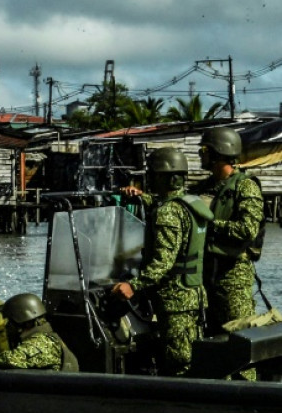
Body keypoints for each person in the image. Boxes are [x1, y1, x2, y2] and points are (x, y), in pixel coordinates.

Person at [112, 147, 213, 376]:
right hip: (192, 294)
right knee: (190, 354)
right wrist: (139, 196)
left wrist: (133, 286)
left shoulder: (167, 213)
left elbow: (162, 263)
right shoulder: (189, 204)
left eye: (153, 175)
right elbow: (162, 204)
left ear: (162, 176)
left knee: (178, 364)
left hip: (175, 300)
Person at [190, 127, 264, 333]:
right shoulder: (204, 187)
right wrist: (143, 196)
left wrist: (209, 224)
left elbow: (248, 229)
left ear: (219, 153)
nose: (201, 154)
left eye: (205, 149)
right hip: (206, 274)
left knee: (237, 337)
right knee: (210, 339)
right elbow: (178, 203)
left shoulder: (246, 186)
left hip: (233, 277)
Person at [0, 293, 79, 372]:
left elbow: (14, 359)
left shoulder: (43, 341)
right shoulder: (42, 337)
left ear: (24, 322)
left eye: (11, 322)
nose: (8, 327)